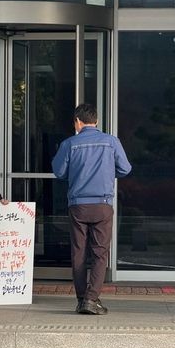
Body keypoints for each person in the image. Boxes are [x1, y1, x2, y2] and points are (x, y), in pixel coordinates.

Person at [52, 104, 131, 315]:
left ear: (77, 121)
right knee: (100, 253)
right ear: (96, 121)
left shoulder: (69, 143)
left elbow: (59, 172)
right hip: (103, 205)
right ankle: (91, 298)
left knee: (78, 253)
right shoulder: (111, 142)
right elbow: (125, 168)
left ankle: (81, 299)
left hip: (78, 205)